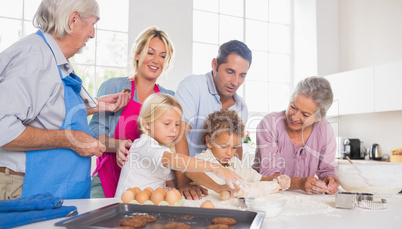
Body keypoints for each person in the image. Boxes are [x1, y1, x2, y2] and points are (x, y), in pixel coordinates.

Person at [0, 0, 130, 200]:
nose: (93, 34)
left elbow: (47, 109)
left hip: (45, 189)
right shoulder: (34, 57)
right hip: (22, 189)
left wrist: (96, 106)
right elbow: (3, 128)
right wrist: (71, 139)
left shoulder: (54, 58)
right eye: (93, 24)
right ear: (73, 20)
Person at [89, 26, 175, 198]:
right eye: (150, 53)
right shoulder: (114, 87)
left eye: (163, 56)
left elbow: (171, 145)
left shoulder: (168, 97)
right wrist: (117, 145)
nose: (156, 60)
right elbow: (94, 135)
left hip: (149, 184)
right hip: (109, 176)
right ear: (137, 54)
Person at [114, 94, 247, 198]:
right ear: (147, 124)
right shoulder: (143, 144)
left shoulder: (164, 150)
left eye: (177, 124)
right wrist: (216, 168)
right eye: (167, 123)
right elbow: (176, 161)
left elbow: (169, 183)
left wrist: (217, 187)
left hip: (145, 209)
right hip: (125, 207)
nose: (174, 130)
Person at [175, 40, 252, 200]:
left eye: (242, 75)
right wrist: (184, 183)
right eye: (230, 71)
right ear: (215, 64)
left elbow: (236, 149)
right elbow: (178, 135)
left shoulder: (241, 107)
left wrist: (236, 181)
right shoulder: (192, 86)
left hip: (218, 188)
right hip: (185, 183)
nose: (235, 82)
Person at [252, 76, 338, 195]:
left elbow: (326, 170)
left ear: (318, 117)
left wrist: (329, 180)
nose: (294, 117)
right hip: (266, 196)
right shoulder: (269, 124)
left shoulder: (325, 130)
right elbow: (268, 174)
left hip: (303, 199)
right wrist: (299, 183)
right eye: (293, 107)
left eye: (305, 114)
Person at [186, 109, 290, 198]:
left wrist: (278, 180)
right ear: (209, 141)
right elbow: (191, 171)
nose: (229, 153)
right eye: (223, 146)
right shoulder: (203, 159)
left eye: (234, 147)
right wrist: (218, 187)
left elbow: (260, 179)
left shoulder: (236, 164)